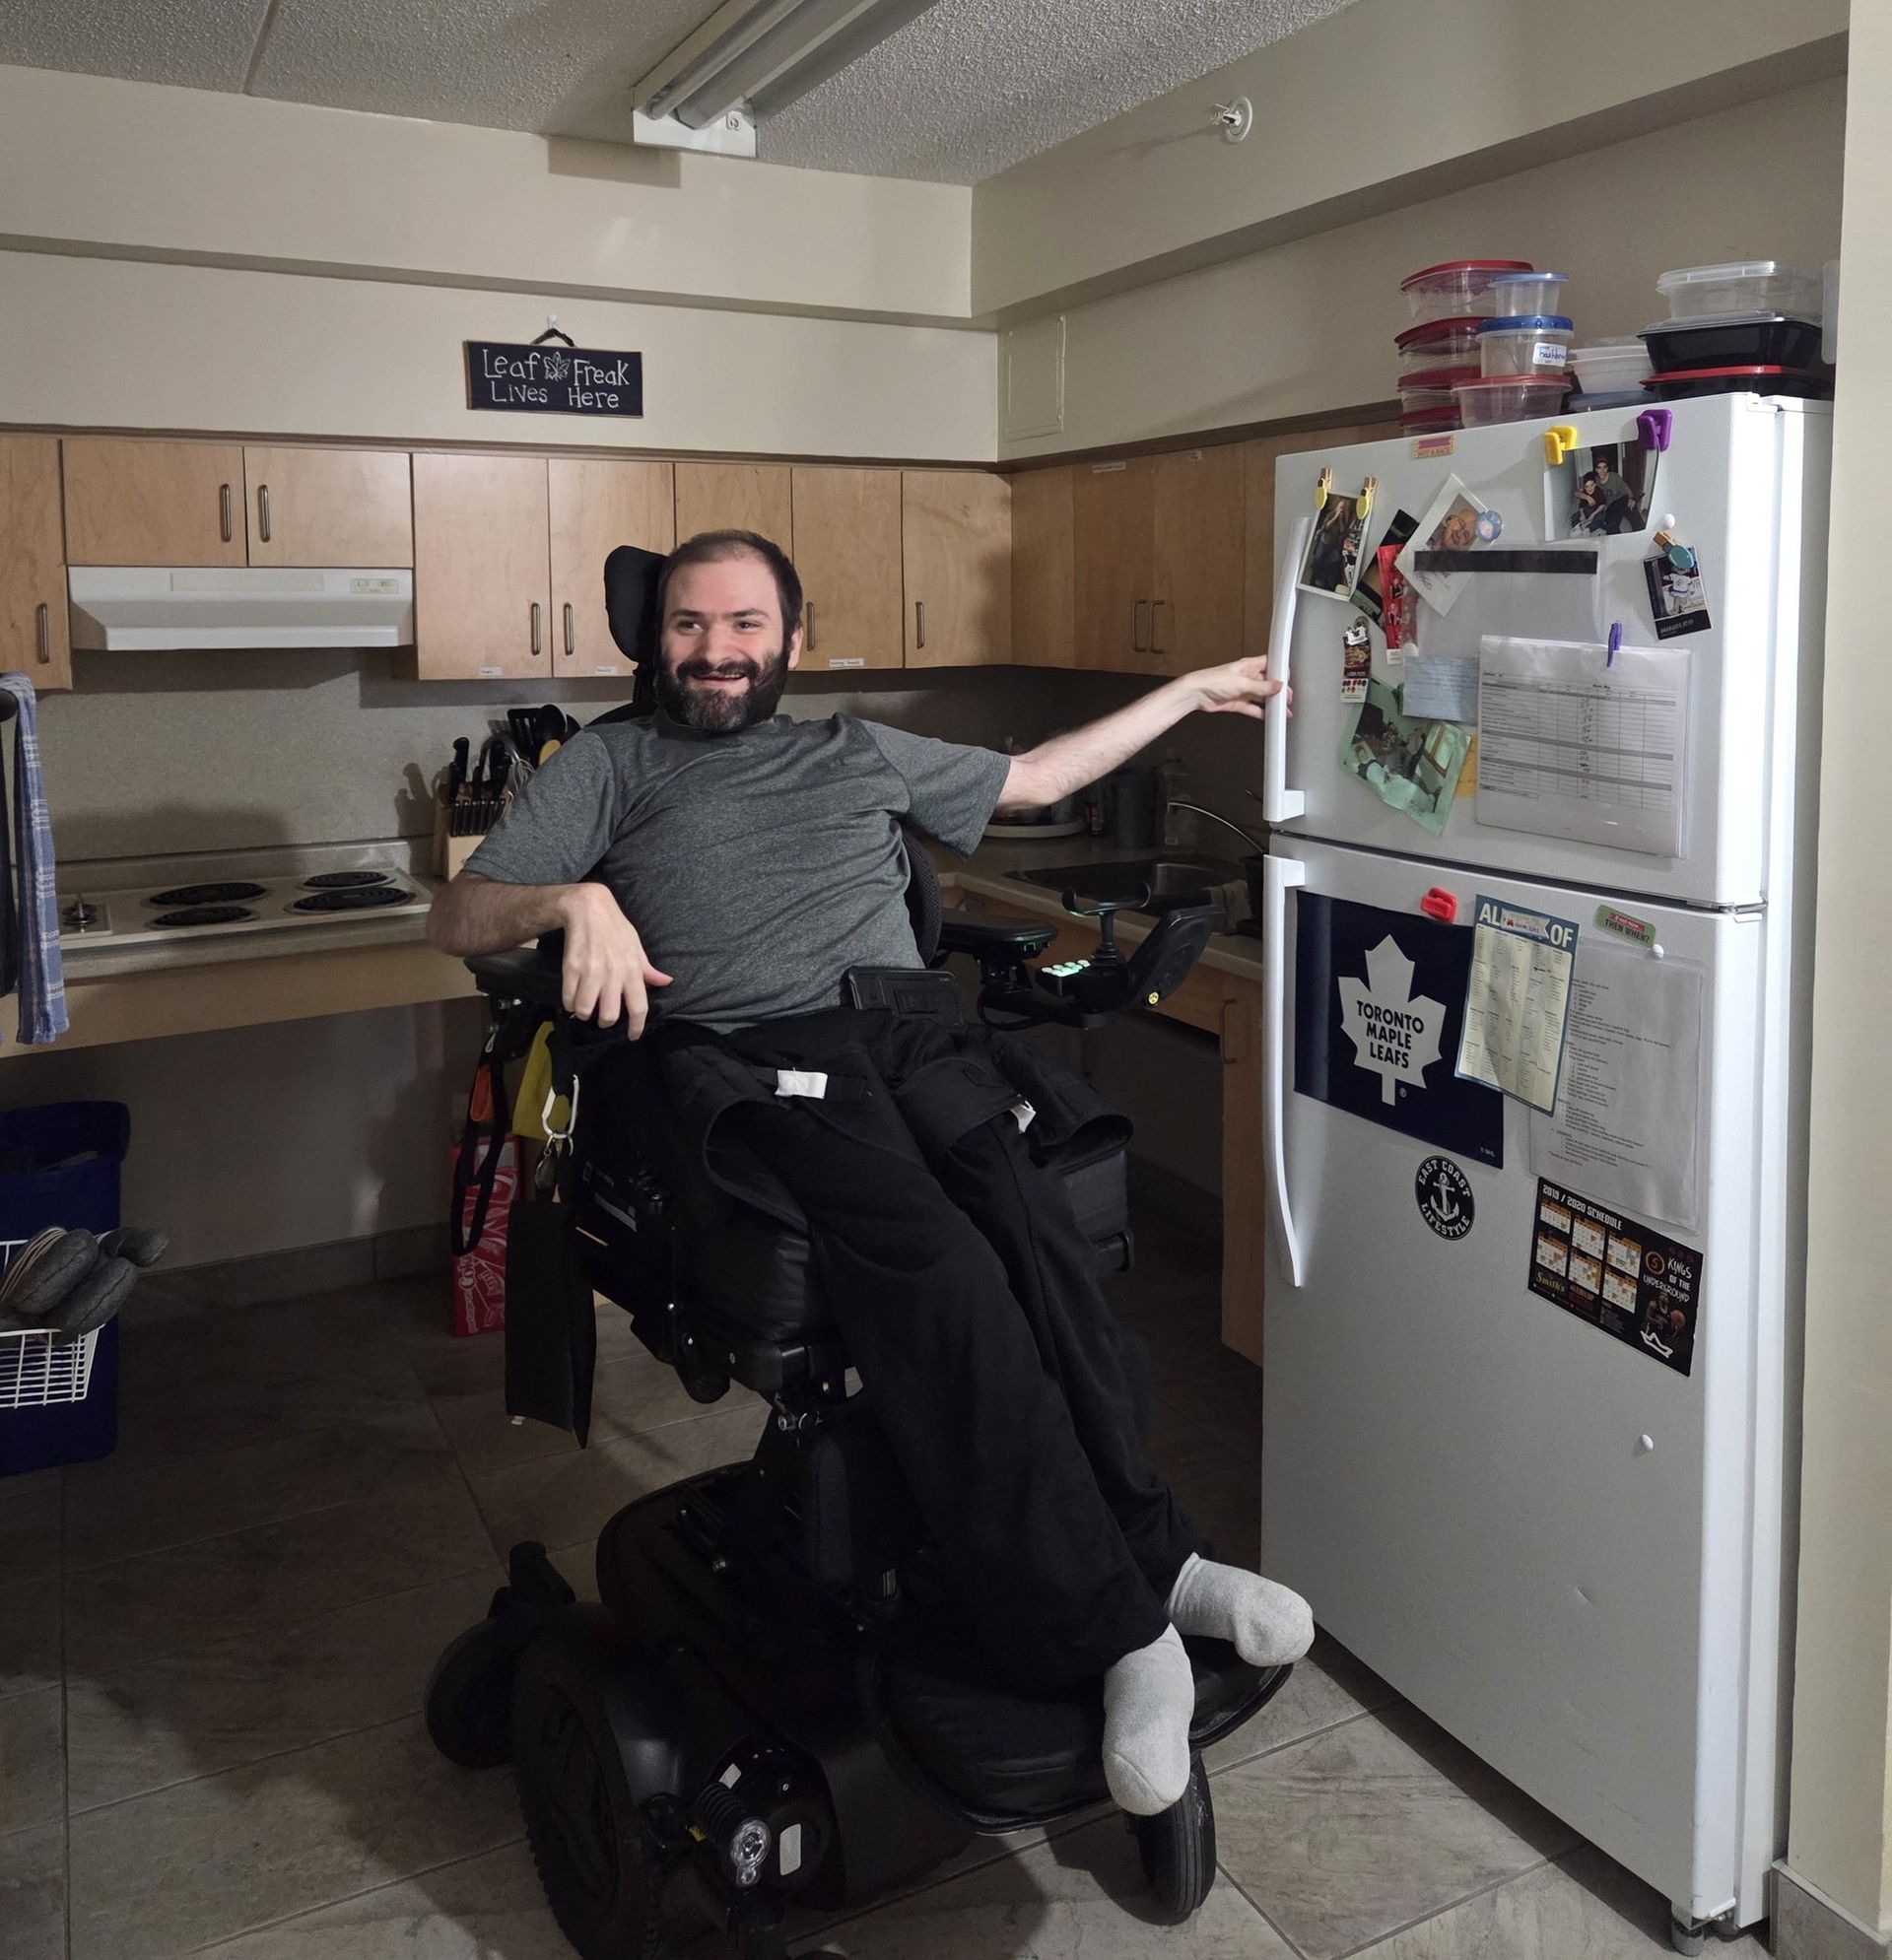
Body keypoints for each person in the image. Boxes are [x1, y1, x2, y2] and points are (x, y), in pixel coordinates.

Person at [429, 529, 1314, 1818]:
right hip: (764, 1058)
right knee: (945, 1275)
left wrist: (1183, 692)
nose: (716, 650)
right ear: (653, 639)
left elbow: (1033, 778)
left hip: (909, 1031)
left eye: (744, 624)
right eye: (688, 624)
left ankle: (1162, 1559)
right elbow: (456, 913)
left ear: (793, 637)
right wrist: (576, 902)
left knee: (1036, 1235)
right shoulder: (612, 763)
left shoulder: (853, 747)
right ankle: (1112, 1633)